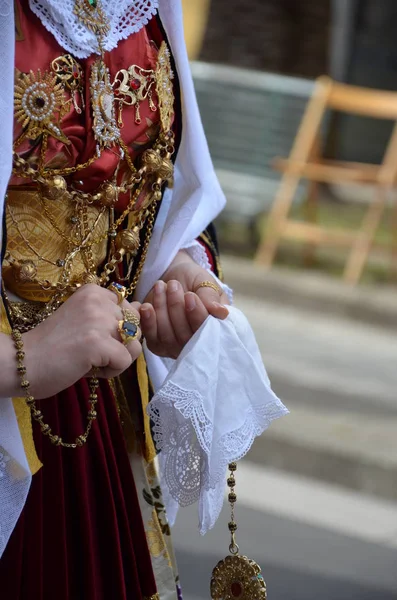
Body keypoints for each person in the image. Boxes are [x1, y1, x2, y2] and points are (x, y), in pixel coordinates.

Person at [0, 1, 230, 598]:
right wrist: (22, 357)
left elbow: (155, 193)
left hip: (95, 413)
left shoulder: (142, 8)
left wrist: (173, 270)